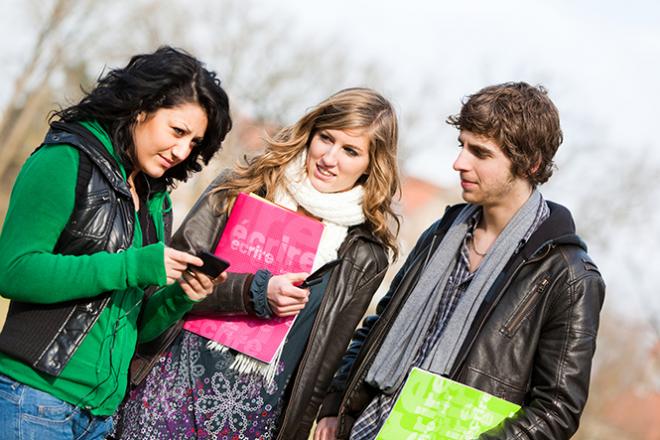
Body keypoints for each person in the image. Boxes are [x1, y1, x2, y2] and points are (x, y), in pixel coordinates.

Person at [314, 82, 606, 440]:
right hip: (366, 428)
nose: (459, 163)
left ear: (530, 164)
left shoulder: (569, 277)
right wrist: (334, 404)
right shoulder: (441, 232)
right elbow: (379, 324)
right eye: (462, 146)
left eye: (480, 153)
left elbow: (557, 411)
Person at [113, 87, 401, 439]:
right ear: (310, 133)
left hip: (256, 415)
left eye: (351, 151)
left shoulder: (364, 255)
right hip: (172, 387)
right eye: (326, 138)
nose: (330, 158)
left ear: (371, 164)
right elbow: (168, 285)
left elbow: (322, 365)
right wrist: (253, 292)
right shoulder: (240, 188)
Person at [0, 46, 232, 439]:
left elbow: (137, 329)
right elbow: (12, 270)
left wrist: (180, 296)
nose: (182, 151)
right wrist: (131, 266)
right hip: (33, 400)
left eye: (194, 143)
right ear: (140, 108)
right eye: (177, 131)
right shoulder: (65, 160)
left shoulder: (156, 201)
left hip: (100, 416)